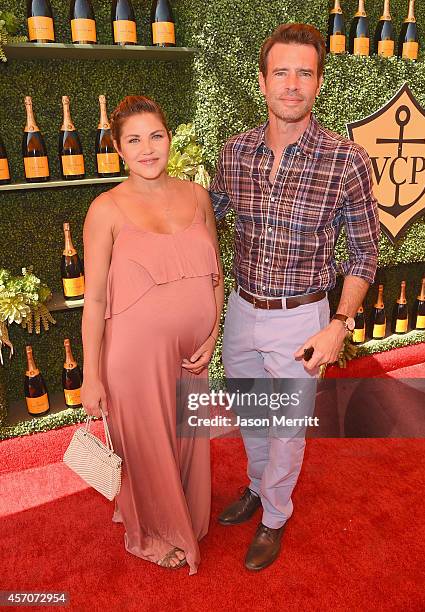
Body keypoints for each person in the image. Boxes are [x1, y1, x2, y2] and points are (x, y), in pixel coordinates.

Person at [210, 23, 379, 571]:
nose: (291, 84)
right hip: (240, 311)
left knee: (285, 431)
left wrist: (341, 323)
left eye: (303, 73)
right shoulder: (233, 153)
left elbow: (363, 253)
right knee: (254, 416)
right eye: (281, 72)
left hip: (302, 318)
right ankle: (258, 488)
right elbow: (201, 224)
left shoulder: (347, 159)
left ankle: (275, 516)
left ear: (318, 83)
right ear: (262, 82)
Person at [80, 95, 224, 575]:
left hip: (192, 356)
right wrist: (90, 377)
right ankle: (155, 532)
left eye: (156, 136)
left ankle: (181, 514)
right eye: (134, 140)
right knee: (146, 448)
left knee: (183, 438)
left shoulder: (197, 195)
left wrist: (214, 332)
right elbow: (95, 300)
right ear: (119, 150)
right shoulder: (105, 209)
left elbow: (215, 277)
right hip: (132, 357)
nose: (148, 149)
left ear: (169, 138)